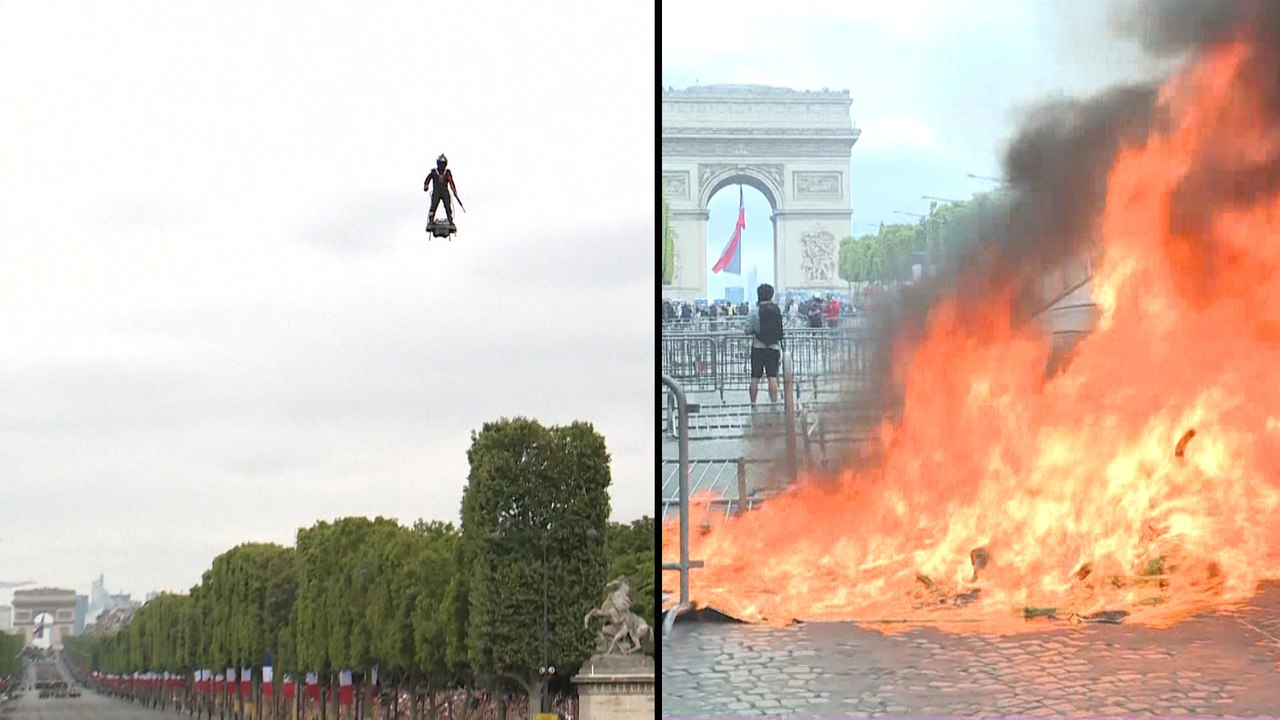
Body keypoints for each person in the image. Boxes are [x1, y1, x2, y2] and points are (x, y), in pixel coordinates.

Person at [744, 283, 784, 406]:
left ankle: (753, 403)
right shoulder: (776, 309)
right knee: (772, 376)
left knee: (755, 377)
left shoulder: (754, 311)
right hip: (773, 347)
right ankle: (773, 403)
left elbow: (747, 330)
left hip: (758, 348)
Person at [423, 154, 458, 227]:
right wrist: (426, 185)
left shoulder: (447, 173)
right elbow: (428, 178)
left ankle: (450, 220)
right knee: (433, 206)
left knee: (448, 206)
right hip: (436, 192)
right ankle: (431, 220)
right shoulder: (434, 172)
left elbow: (451, 182)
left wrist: (454, 191)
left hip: (444, 191)